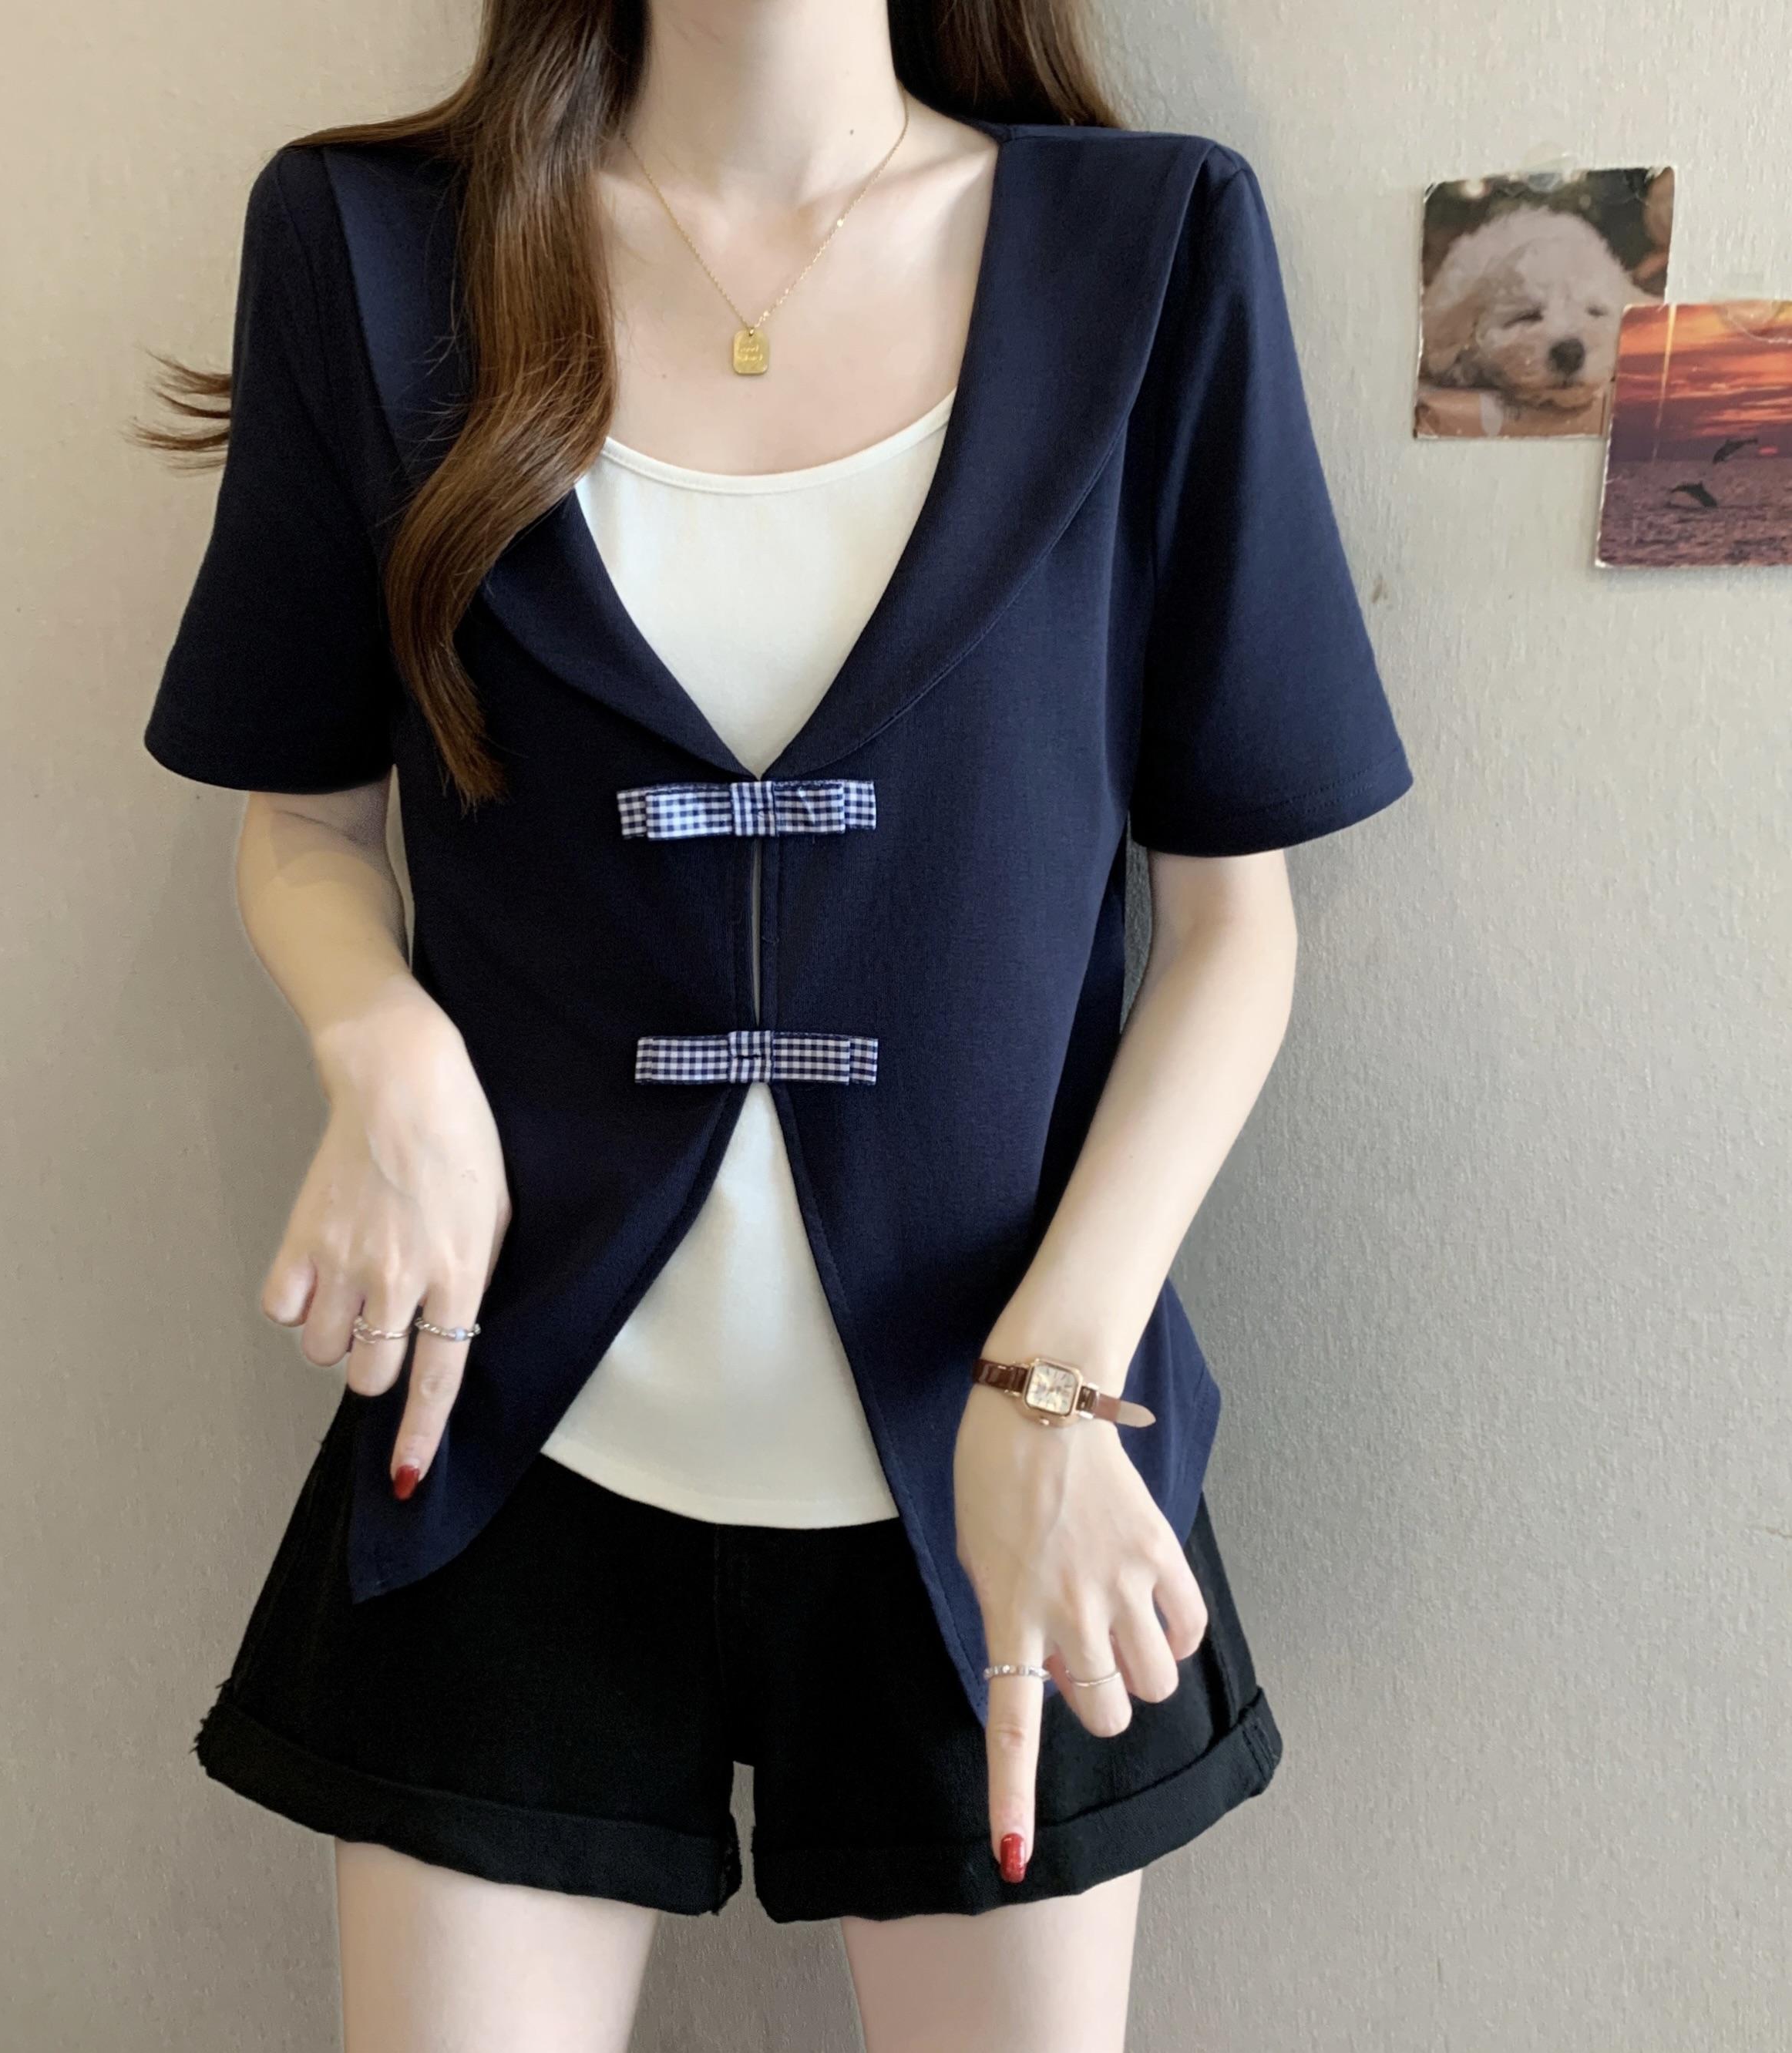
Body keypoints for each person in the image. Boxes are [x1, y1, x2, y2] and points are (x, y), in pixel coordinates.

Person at [139, 2, 1412, 2045]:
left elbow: (1229, 924)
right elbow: (301, 819)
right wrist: (382, 1052)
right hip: (511, 1429)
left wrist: (1062, 1381)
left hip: (999, 1442)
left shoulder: (1150, 244)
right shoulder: (369, 247)